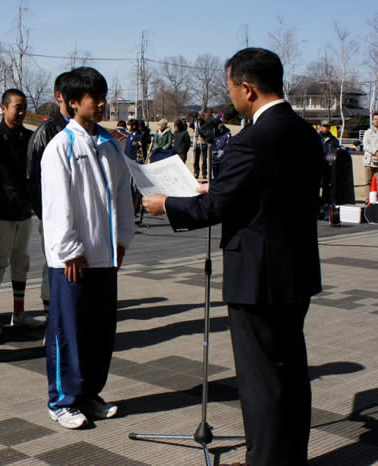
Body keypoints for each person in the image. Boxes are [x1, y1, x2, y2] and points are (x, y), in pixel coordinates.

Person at [143, 48, 323, 465]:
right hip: (295, 270)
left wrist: (166, 205)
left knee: (261, 382)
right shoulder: (303, 132)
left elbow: (214, 211)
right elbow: (270, 196)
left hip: (258, 277)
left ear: (247, 88)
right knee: (290, 373)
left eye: (230, 88)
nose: (231, 97)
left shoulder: (251, 140)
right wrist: (220, 191)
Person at [41, 67, 134, 429]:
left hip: (105, 256)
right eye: (93, 96)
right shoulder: (60, 147)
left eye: (102, 95)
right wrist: (69, 249)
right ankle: (62, 399)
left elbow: (123, 196)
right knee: (69, 331)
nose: (100, 102)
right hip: (73, 260)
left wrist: (122, 239)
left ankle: (89, 393)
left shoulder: (110, 145)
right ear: (72, 102)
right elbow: (57, 205)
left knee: (99, 331)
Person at [0, 88, 43, 336]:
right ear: (3, 108)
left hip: (23, 211)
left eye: (23, 107)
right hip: (0, 212)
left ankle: (18, 313)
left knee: (21, 262)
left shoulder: (30, 138)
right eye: (16, 106)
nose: (20, 111)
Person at [27, 71, 71, 313]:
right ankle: (50, 312)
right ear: (59, 97)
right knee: (53, 263)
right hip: (52, 213)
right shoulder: (46, 132)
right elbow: (33, 178)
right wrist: (46, 213)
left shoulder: (88, 131)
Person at [363, 112, 378, 192]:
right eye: (375, 119)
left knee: (377, 182)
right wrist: (375, 151)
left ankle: (376, 200)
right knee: (368, 182)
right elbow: (366, 145)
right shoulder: (367, 132)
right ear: (372, 121)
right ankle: (367, 199)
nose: (377, 121)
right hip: (369, 160)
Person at [191, 113, 209, 179]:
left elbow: (207, 134)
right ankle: (196, 172)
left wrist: (201, 132)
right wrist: (193, 118)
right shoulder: (195, 123)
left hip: (203, 143)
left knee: (204, 160)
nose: (199, 117)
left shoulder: (205, 124)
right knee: (196, 160)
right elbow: (190, 125)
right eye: (198, 116)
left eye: (200, 116)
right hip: (196, 143)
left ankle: (204, 173)